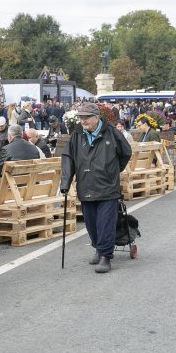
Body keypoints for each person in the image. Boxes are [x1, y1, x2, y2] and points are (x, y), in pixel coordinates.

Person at [60, 102, 131, 273]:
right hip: (86, 185)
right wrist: (65, 183)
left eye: (86, 117)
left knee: (105, 223)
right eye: (81, 117)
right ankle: (99, 249)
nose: (83, 121)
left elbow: (126, 153)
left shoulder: (112, 133)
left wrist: (113, 171)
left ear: (97, 117)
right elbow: (68, 157)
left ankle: (106, 256)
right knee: (91, 223)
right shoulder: (77, 135)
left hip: (107, 187)